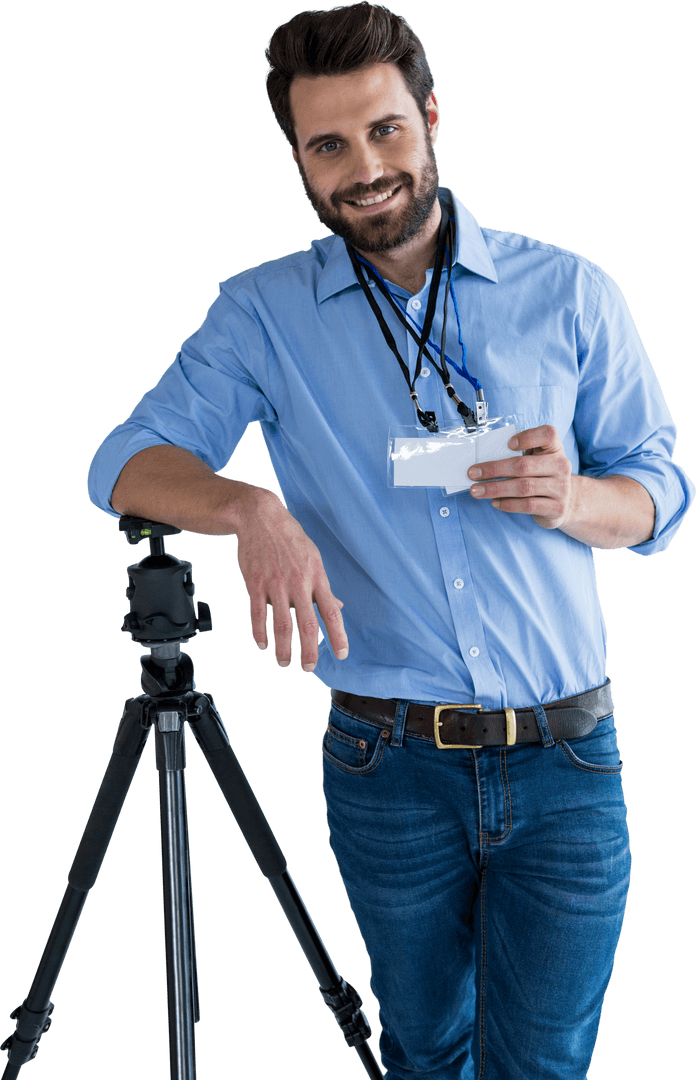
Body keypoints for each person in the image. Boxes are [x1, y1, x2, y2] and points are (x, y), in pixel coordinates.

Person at [87, 4, 693, 1077]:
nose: (364, 169)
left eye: (384, 131)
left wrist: (573, 499)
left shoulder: (571, 291)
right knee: (421, 1050)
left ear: (431, 119)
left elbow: (661, 493)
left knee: (545, 1064)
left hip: (566, 760)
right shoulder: (261, 315)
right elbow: (122, 463)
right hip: (388, 769)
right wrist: (249, 509)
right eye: (328, 145)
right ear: (297, 159)